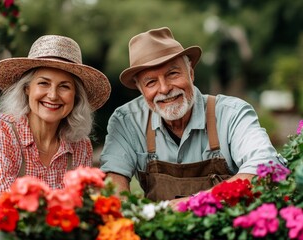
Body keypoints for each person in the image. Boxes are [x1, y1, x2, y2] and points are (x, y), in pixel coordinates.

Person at [99, 27, 286, 208]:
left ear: (191, 73)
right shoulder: (126, 120)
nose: (164, 89)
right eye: (151, 82)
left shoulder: (232, 113)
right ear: (140, 90)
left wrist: (192, 203)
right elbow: (112, 182)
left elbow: (266, 167)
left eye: (173, 74)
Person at [0, 35, 111, 204]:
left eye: (64, 86)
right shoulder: (0, 129)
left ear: (76, 96)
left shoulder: (80, 145)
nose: (52, 95)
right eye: (43, 83)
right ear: (27, 88)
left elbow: (81, 207)